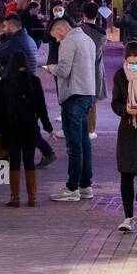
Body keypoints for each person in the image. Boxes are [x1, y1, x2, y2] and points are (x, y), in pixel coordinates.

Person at [45, 17, 97, 203]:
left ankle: (72, 187)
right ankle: (85, 185)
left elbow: (64, 70)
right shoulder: (87, 40)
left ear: (60, 31)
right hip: (87, 93)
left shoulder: (69, 42)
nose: (57, 41)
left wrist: (51, 68)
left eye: (56, 38)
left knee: (74, 144)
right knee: (84, 142)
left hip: (73, 95)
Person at [0, 51, 53, 208]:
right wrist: (48, 127)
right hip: (29, 127)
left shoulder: (5, 83)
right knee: (29, 161)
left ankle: (15, 197)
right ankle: (32, 198)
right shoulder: (34, 81)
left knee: (13, 161)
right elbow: (41, 107)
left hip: (10, 128)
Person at [110, 41, 137, 232]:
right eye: (131, 63)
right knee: (126, 174)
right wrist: (126, 110)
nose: (134, 67)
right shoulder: (121, 75)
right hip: (128, 130)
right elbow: (115, 103)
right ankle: (128, 217)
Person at [81, 1, 107, 138]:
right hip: (95, 68)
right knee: (92, 101)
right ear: (97, 14)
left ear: (83, 13)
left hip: (80, 67)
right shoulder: (101, 33)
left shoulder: (78, 30)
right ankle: (90, 129)